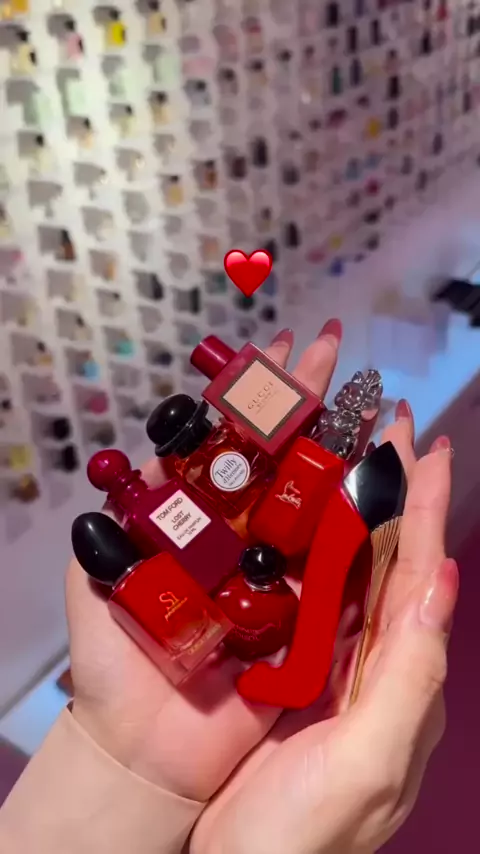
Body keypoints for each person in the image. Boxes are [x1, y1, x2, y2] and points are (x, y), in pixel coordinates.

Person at [0, 320, 458, 854]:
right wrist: (129, 756)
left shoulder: (216, 462)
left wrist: (128, 768)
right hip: (239, 589)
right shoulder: (170, 498)